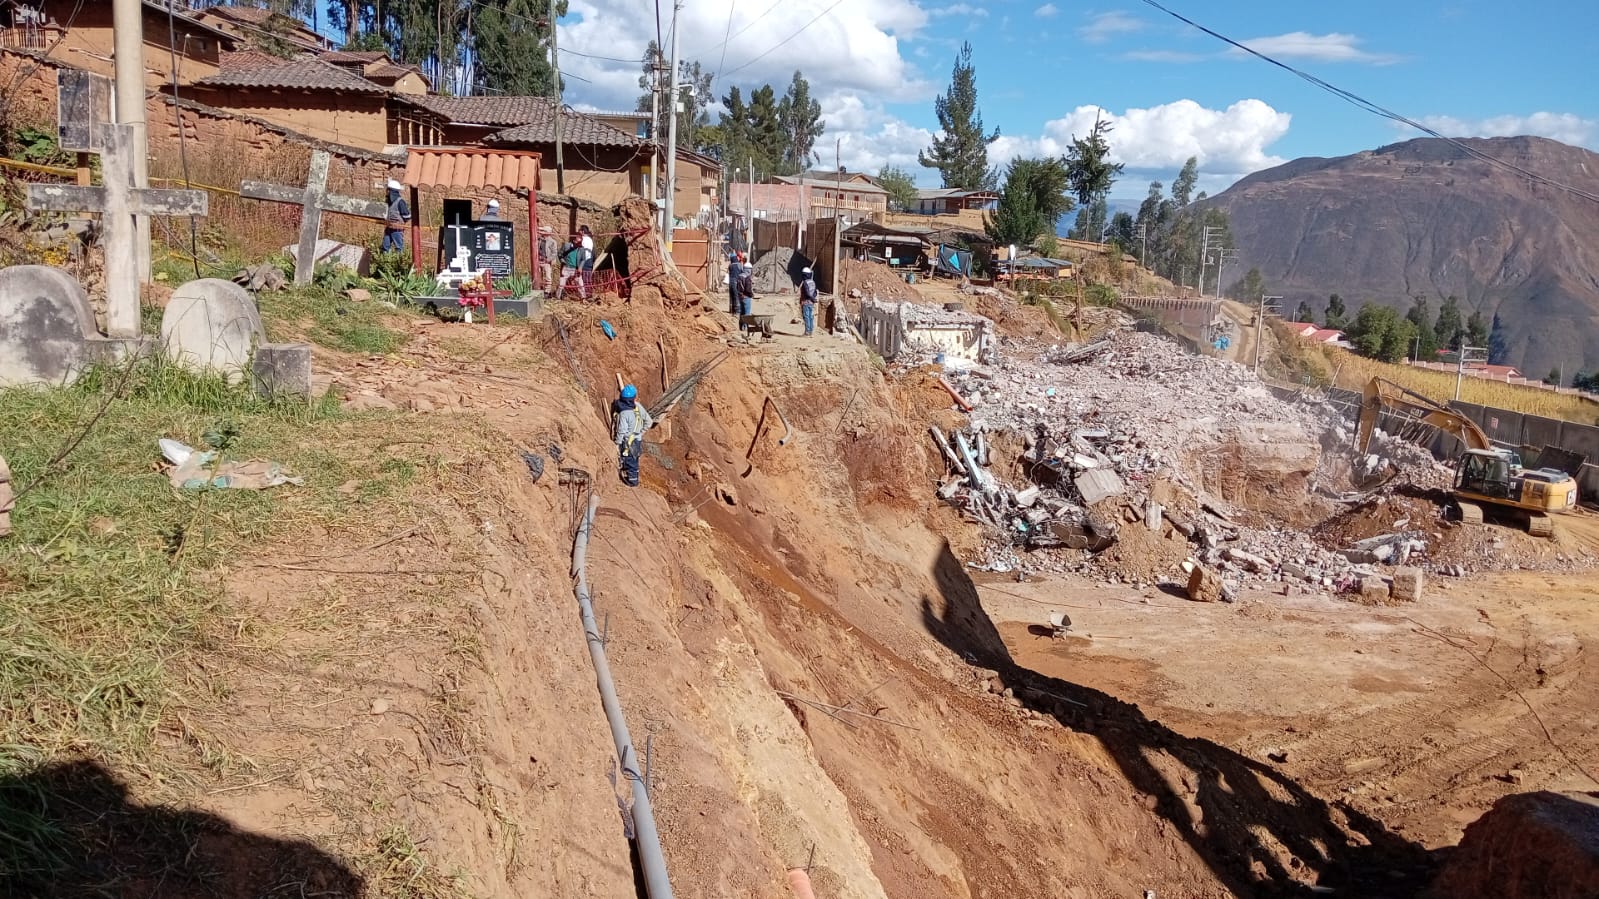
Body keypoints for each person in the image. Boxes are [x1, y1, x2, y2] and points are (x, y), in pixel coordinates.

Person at [612, 384, 654, 487]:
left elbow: (621, 430)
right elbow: (649, 421)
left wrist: (617, 443)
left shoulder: (624, 413)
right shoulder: (637, 406)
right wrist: (640, 432)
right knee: (634, 460)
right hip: (637, 440)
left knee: (629, 461)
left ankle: (632, 482)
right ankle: (631, 477)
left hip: (627, 442)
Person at [382, 179, 409, 253]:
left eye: (388, 190)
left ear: (391, 191)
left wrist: (398, 223)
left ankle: (398, 260)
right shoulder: (389, 202)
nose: (386, 191)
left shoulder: (400, 202)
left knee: (398, 248)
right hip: (389, 228)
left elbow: (407, 216)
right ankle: (385, 259)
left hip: (397, 229)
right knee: (385, 247)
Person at [558, 233, 586, 300]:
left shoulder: (581, 249)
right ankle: (558, 297)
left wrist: (580, 267)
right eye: (577, 242)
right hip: (566, 267)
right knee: (561, 284)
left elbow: (583, 259)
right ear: (574, 240)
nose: (579, 244)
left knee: (580, 284)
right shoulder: (566, 245)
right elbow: (559, 254)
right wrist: (562, 261)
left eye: (580, 242)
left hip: (575, 269)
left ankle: (583, 298)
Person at [734, 259, 756, 331]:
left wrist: (740, 294)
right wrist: (751, 294)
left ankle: (740, 326)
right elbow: (748, 289)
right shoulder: (747, 277)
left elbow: (737, 287)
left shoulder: (739, 276)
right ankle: (745, 327)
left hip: (740, 297)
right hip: (746, 297)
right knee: (747, 313)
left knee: (742, 312)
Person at [798, 266, 818, 337]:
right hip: (811, 303)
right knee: (810, 317)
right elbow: (815, 292)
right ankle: (810, 331)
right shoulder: (813, 282)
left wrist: (811, 298)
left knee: (806, 317)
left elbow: (807, 293)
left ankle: (807, 332)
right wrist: (813, 299)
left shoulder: (805, 283)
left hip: (806, 302)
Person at [537, 225, 557, 292]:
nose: (541, 232)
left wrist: (548, 260)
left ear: (547, 232)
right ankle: (539, 289)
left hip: (546, 262)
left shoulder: (552, 242)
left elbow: (554, 253)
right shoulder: (539, 240)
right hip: (538, 260)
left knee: (548, 277)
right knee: (538, 276)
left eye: (543, 231)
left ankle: (547, 291)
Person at [579, 224, 596, 294]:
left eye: (579, 230)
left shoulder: (583, 240)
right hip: (589, 260)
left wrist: (580, 263)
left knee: (585, 279)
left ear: (583, 231)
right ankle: (589, 293)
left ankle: (587, 294)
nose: (579, 232)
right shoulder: (590, 240)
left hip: (585, 261)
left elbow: (583, 252)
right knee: (588, 278)